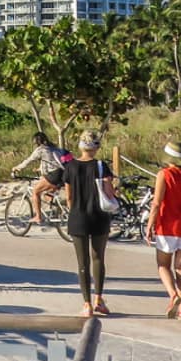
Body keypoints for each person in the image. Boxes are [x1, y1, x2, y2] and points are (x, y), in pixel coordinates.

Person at [145, 142, 181, 320]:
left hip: (168, 224)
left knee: (163, 265)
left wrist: (150, 224)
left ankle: (173, 294)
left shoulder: (164, 174)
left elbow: (156, 203)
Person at [63, 130, 116, 317]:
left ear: (80, 146)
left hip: (78, 216)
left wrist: (74, 210)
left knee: (82, 261)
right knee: (98, 258)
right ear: (96, 147)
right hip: (99, 216)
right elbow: (110, 192)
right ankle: (98, 299)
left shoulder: (70, 166)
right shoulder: (101, 166)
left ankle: (86, 304)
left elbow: (69, 197)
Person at [12, 132, 69, 224]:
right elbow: (53, 161)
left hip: (54, 175)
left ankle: (38, 217)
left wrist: (17, 168)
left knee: (35, 191)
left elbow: (29, 160)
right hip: (63, 174)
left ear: (36, 142)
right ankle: (56, 210)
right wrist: (40, 168)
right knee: (47, 194)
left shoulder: (41, 149)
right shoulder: (54, 148)